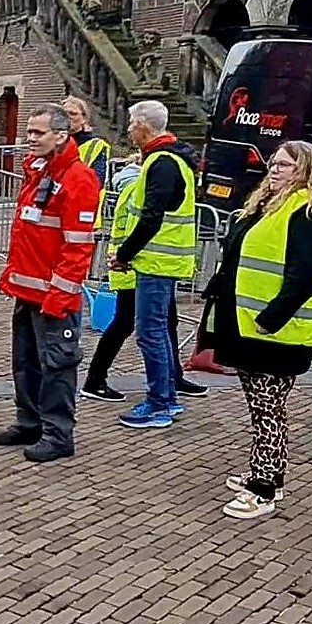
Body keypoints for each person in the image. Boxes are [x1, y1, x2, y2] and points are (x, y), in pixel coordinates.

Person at [206, 141, 312, 519]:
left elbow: (304, 275)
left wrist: (271, 317)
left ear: (307, 171)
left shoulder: (310, 211)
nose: (275, 169)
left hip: (276, 330)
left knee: (269, 407)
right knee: (261, 406)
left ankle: (264, 486)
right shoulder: (269, 206)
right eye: (274, 163)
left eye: (286, 165)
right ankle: (268, 471)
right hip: (249, 324)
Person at [0, 107, 101, 463]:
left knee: (57, 366)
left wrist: (60, 296)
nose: (30, 138)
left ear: (62, 136)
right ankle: (30, 421)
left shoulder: (78, 180)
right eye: (30, 131)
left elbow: (78, 247)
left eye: (38, 133)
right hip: (28, 290)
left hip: (53, 296)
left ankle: (57, 433)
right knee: (26, 362)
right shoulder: (39, 172)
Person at [84, 154, 209, 402]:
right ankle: (95, 379)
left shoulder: (139, 186)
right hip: (134, 268)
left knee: (167, 321)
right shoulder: (136, 189)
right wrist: (125, 258)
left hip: (146, 265)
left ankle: (174, 376)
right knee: (125, 324)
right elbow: (133, 227)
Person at [110, 100, 201, 430]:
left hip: (158, 261)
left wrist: (124, 254)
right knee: (158, 330)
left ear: (144, 125)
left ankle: (159, 403)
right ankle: (167, 397)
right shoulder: (172, 159)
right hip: (164, 260)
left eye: (132, 123)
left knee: (150, 332)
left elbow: (151, 218)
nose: (129, 129)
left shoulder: (162, 162)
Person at [62, 97, 111, 183]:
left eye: (72, 113)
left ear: (84, 119)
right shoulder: (52, 142)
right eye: (64, 114)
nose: (68, 117)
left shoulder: (96, 145)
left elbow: (98, 179)